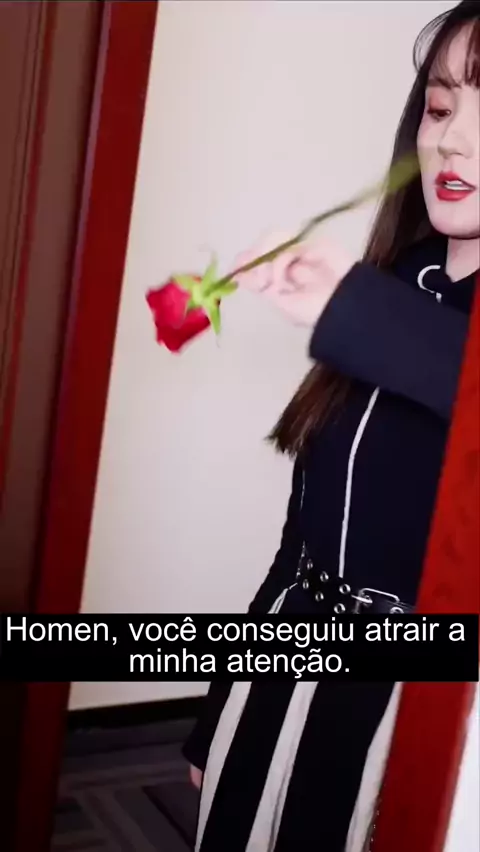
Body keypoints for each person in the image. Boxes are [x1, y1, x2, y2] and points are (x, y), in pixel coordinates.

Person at [183, 2, 480, 850]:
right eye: (440, 105)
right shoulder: (393, 279)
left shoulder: (372, 311)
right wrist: (221, 708)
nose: (453, 139)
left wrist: (356, 314)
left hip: (409, 709)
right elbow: (302, 537)